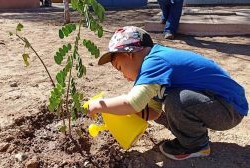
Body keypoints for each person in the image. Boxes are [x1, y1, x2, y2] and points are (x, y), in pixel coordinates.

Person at [87, 26, 248, 160]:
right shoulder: (155, 69)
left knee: (176, 102)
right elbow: (153, 113)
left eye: (120, 69)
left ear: (129, 54)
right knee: (172, 102)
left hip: (229, 108)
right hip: (218, 104)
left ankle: (196, 145)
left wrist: (99, 105)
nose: (124, 76)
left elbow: (132, 103)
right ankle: (192, 137)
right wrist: (127, 115)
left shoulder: (154, 62)